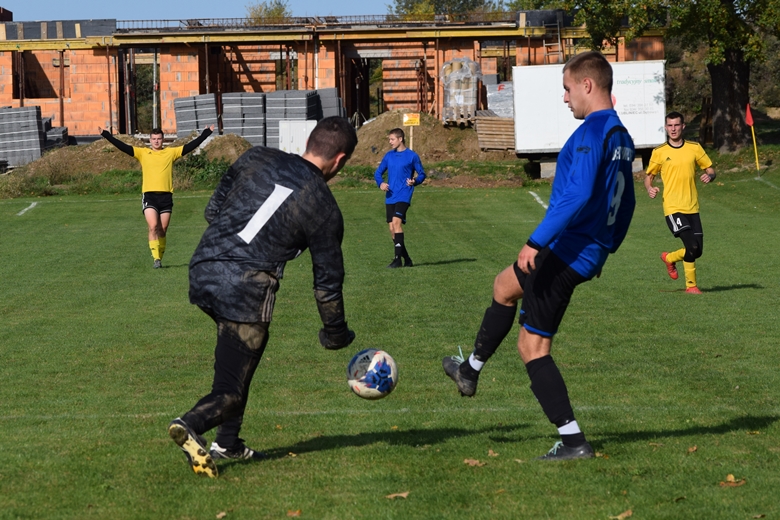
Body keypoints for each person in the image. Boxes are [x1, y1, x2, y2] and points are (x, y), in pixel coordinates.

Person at [441, 51, 636, 460]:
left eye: (567, 89)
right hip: (583, 249)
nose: (565, 98)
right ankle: (469, 370)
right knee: (503, 286)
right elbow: (627, 202)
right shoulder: (620, 134)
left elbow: (576, 196)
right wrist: (607, 248)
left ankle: (574, 441)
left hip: (567, 251)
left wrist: (535, 242)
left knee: (532, 348)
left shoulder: (591, 132)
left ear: (587, 85)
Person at [167, 117, 358, 478]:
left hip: (203, 268)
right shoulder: (324, 206)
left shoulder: (256, 157)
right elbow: (327, 283)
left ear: (310, 141)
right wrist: (335, 334)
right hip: (245, 288)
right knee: (231, 390)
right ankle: (190, 424)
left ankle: (228, 443)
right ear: (340, 159)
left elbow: (213, 210)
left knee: (238, 363)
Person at [99, 125, 213, 268]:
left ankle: (160, 256)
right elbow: (123, 147)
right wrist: (107, 135)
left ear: (163, 139)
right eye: (154, 139)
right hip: (149, 196)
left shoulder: (170, 153)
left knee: (162, 230)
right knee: (153, 226)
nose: (156, 141)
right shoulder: (143, 153)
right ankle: (156, 259)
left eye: (159, 138)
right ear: (150, 140)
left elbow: (190, 146)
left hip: (166, 197)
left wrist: (205, 134)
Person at [644, 111, 715, 294]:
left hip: (692, 207)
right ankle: (691, 286)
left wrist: (710, 176)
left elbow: (710, 169)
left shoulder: (694, 148)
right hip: (673, 208)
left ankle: (669, 258)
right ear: (666, 127)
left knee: (697, 250)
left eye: (676, 125)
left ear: (683, 126)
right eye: (670, 125)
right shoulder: (659, 152)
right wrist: (649, 188)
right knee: (691, 246)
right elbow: (649, 176)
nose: (673, 129)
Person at [374, 128, 426, 268]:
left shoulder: (412, 156)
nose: (390, 142)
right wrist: (381, 183)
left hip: (404, 194)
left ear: (400, 139)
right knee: (392, 229)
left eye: (392, 139)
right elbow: (378, 173)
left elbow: (422, 174)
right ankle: (407, 259)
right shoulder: (389, 156)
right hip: (390, 195)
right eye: (389, 139)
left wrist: (415, 181)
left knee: (396, 223)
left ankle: (397, 260)